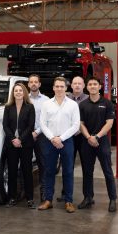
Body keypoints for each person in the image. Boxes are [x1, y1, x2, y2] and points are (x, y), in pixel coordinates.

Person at [38, 77, 80, 213]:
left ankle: (68, 201)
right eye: (57, 86)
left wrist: (61, 138)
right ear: (53, 88)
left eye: (62, 86)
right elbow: (42, 124)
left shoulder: (73, 105)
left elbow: (76, 125)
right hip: (50, 141)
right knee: (49, 171)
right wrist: (53, 138)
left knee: (68, 171)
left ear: (66, 88)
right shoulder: (46, 104)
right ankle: (48, 200)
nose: (59, 89)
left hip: (66, 141)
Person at [78, 77, 117, 212]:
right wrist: (89, 137)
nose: (93, 86)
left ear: (100, 86)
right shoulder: (82, 105)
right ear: (87, 87)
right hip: (87, 141)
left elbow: (109, 123)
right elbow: (81, 124)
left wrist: (97, 137)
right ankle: (88, 197)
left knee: (107, 171)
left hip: (102, 142)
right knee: (87, 172)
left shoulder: (107, 104)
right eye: (90, 84)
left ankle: (112, 199)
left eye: (95, 84)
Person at [3, 83, 36, 208]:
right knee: (12, 171)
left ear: (24, 92)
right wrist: (13, 139)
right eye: (16, 90)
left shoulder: (30, 107)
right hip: (11, 144)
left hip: (26, 144)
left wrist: (20, 139)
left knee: (27, 171)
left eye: (20, 90)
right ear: (13, 93)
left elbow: (30, 126)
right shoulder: (8, 107)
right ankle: (12, 197)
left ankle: (30, 199)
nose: (18, 92)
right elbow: (5, 125)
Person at [57, 76, 89, 202]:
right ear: (71, 85)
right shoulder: (65, 98)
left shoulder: (87, 99)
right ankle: (65, 194)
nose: (77, 85)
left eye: (79, 83)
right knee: (67, 165)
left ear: (83, 86)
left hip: (83, 136)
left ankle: (87, 196)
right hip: (67, 137)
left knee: (86, 167)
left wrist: (83, 131)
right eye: (74, 83)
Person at [28, 74, 49, 202]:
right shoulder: (24, 99)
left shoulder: (46, 100)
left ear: (39, 84)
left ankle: (44, 193)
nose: (34, 84)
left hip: (41, 136)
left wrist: (37, 132)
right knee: (25, 164)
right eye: (31, 82)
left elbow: (47, 120)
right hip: (27, 135)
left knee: (43, 165)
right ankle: (26, 192)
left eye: (36, 82)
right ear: (28, 85)